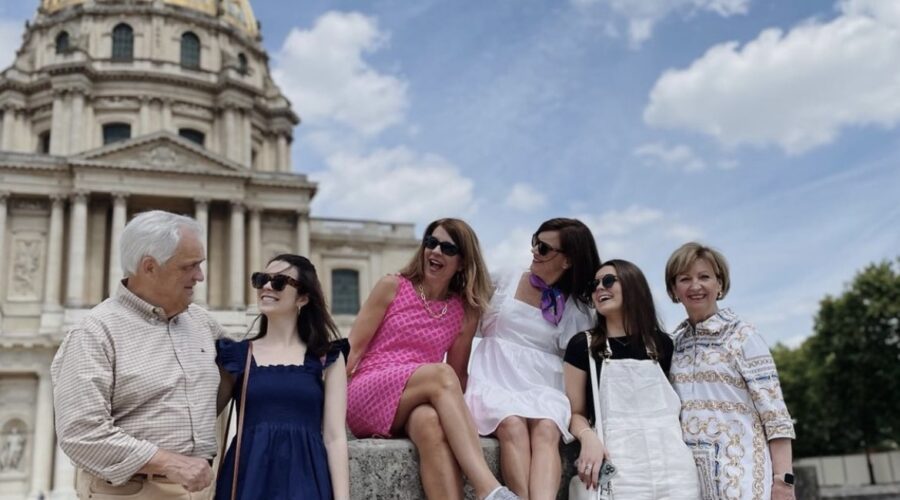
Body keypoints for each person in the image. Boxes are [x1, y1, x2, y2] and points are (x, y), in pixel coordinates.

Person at [51, 210, 222, 499]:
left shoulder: (203, 324)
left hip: (203, 489)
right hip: (130, 491)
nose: (200, 276)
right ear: (149, 267)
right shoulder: (95, 332)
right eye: (189, 267)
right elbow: (80, 434)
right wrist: (168, 462)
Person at [345, 218, 516, 500]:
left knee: (430, 423)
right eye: (431, 242)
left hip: (415, 399)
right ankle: (489, 489)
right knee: (441, 374)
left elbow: (459, 375)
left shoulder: (465, 311)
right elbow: (353, 349)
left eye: (448, 248)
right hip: (369, 389)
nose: (435, 251)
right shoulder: (393, 286)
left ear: (462, 262)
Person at [464, 218, 599, 499]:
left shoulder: (578, 309)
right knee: (511, 424)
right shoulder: (505, 277)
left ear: (568, 261)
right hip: (494, 375)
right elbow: (462, 311)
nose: (535, 251)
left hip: (544, 383)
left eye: (545, 248)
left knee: (547, 428)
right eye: (535, 242)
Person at [665, 242, 796, 500]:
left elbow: (776, 414)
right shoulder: (672, 346)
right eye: (685, 279)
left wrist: (784, 482)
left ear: (720, 284)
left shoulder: (743, 336)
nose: (695, 286)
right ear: (674, 289)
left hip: (743, 477)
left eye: (704, 277)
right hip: (689, 482)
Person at [214, 254, 349, 499]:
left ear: (303, 297)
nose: (266, 286)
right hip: (248, 480)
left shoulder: (327, 358)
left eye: (279, 282)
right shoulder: (237, 356)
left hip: (306, 481)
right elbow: (203, 415)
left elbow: (335, 437)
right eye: (261, 279)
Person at [563, 259, 699, 498]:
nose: (599, 288)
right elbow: (575, 413)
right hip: (619, 471)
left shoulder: (662, 344)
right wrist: (588, 438)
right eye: (594, 284)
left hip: (676, 470)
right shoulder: (583, 345)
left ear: (632, 284)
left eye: (608, 281)